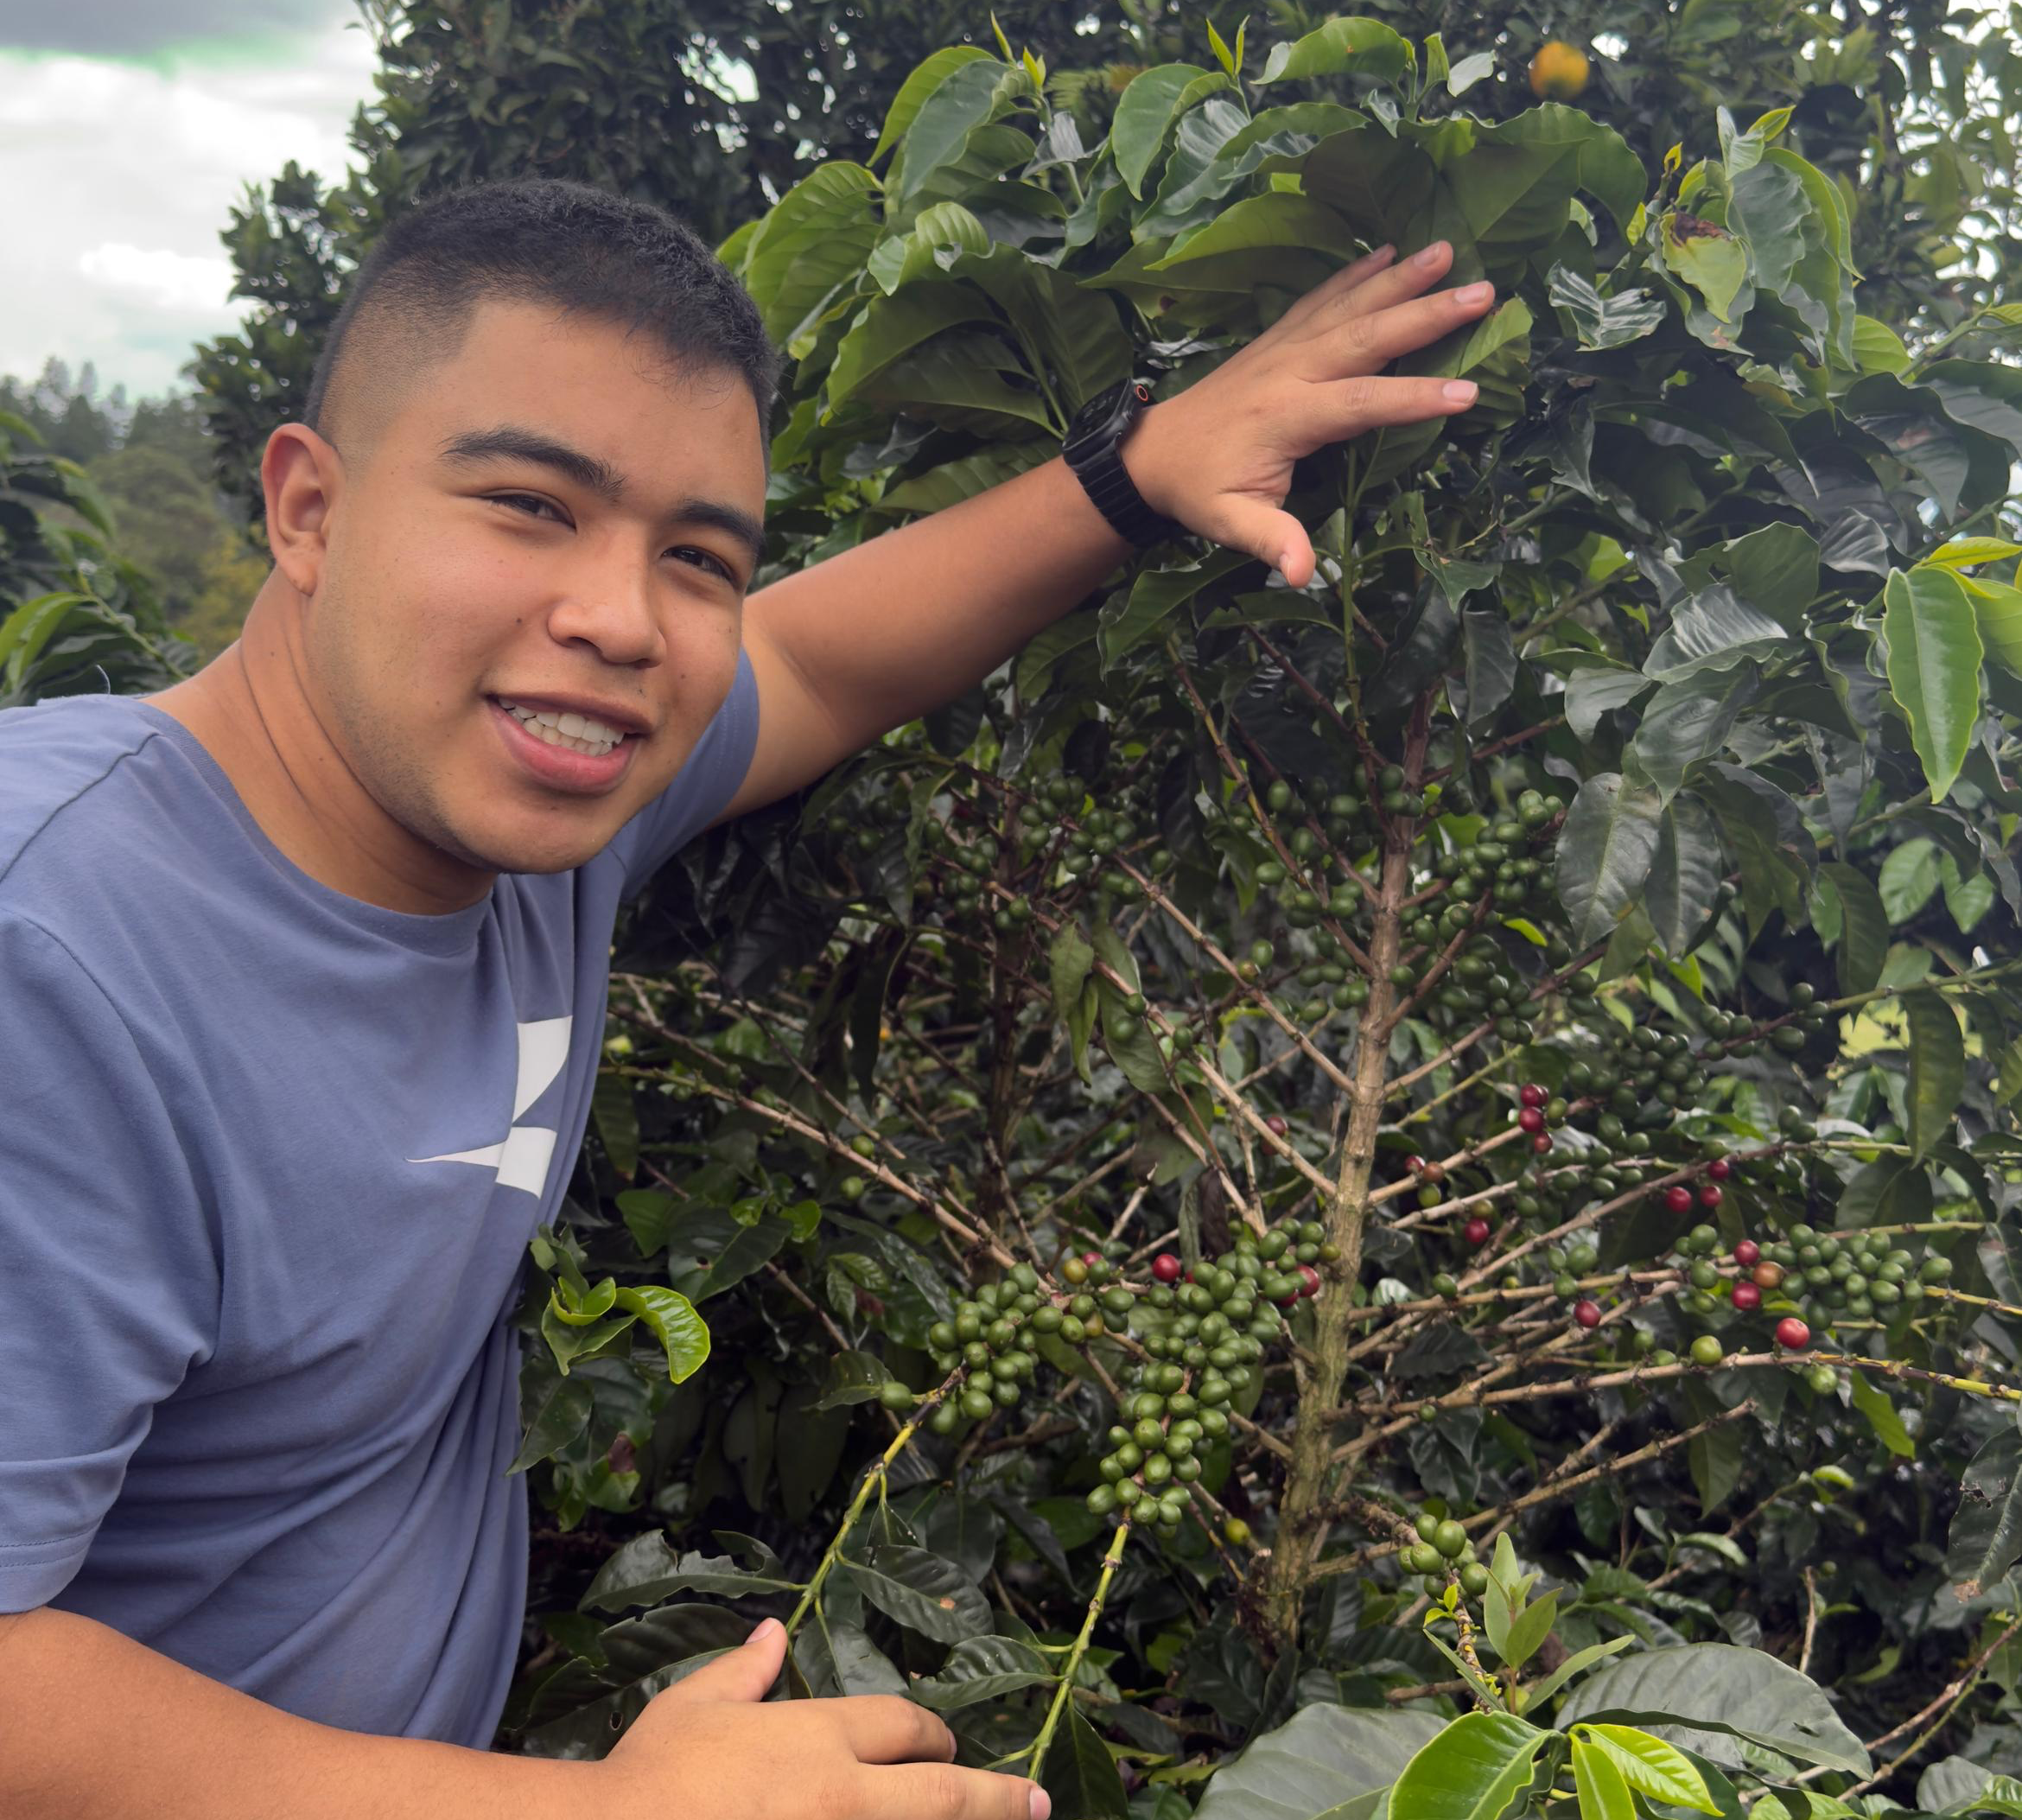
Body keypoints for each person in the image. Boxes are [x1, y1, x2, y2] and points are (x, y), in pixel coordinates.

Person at [0, 176, 1491, 1817]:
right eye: (526, 506)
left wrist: (1136, 473)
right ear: (309, 512)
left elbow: (817, 661)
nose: (620, 621)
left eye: (695, 555)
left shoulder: (542, 793)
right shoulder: (56, 954)